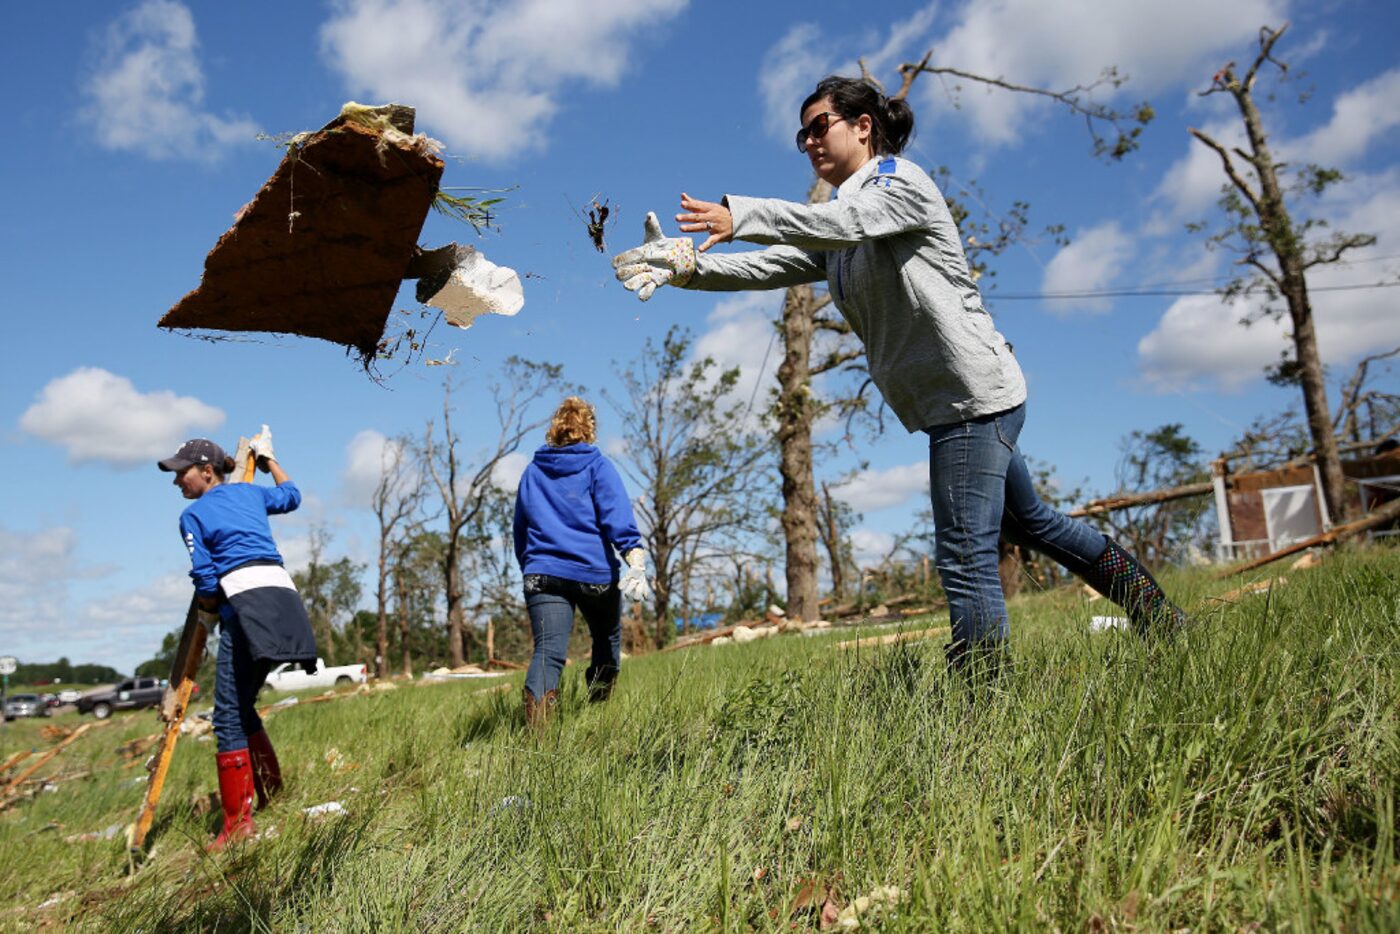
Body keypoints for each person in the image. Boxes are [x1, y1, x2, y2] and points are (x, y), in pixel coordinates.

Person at [612, 75, 1189, 676]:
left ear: (863, 127)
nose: (808, 142)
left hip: (969, 397)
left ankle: (984, 703)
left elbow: (848, 224)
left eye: (819, 127)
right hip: (954, 399)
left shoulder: (897, 185)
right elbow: (778, 262)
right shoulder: (838, 219)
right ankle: (1160, 617)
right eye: (800, 134)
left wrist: (742, 212)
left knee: (965, 554)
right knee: (1037, 524)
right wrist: (688, 269)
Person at [158, 428, 316, 848]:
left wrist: (208, 619)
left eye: (181, 473)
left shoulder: (191, 516)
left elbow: (206, 579)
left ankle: (237, 825)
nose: (176, 482)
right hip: (284, 601)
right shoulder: (251, 495)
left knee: (226, 715)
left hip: (245, 606)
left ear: (207, 472)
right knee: (242, 707)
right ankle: (272, 793)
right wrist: (268, 461)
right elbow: (293, 495)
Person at [513, 397, 651, 726]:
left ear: (555, 429)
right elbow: (617, 521)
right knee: (607, 639)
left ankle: (537, 742)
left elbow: (521, 530)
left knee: (548, 651)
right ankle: (598, 712)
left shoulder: (533, 472)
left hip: (542, 573)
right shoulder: (598, 466)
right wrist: (635, 560)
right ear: (589, 429)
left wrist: (532, 568)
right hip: (593, 574)